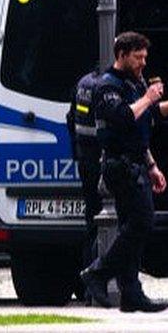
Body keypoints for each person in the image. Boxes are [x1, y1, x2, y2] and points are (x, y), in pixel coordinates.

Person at [80, 31, 168, 313]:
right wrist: (148, 97)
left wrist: (152, 166)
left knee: (133, 229)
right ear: (122, 55)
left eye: (145, 57)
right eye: (138, 57)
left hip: (136, 163)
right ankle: (98, 272)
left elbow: (143, 124)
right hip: (119, 166)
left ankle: (130, 293)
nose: (142, 63)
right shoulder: (107, 86)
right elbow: (124, 117)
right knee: (142, 223)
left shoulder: (133, 84)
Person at [66, 69, 104, 281]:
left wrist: (76, 153)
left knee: (91, 221)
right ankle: (98, 279)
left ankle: (89, 281)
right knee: (110, 222)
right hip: (102, 160)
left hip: (85, 159)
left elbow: (71, 119)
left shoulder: (84, 83)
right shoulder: (106, 86)